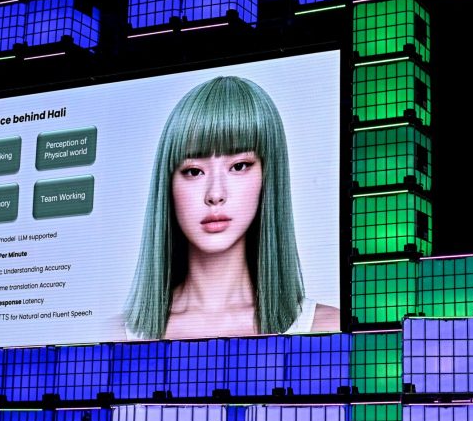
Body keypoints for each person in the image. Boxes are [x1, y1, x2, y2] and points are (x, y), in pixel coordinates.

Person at [123, 75, 340, 339]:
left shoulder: (325, 329)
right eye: (194, 171)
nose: (215, 194)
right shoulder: (120, 335)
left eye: (239, 166)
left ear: (268, 176)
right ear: (168, 184)